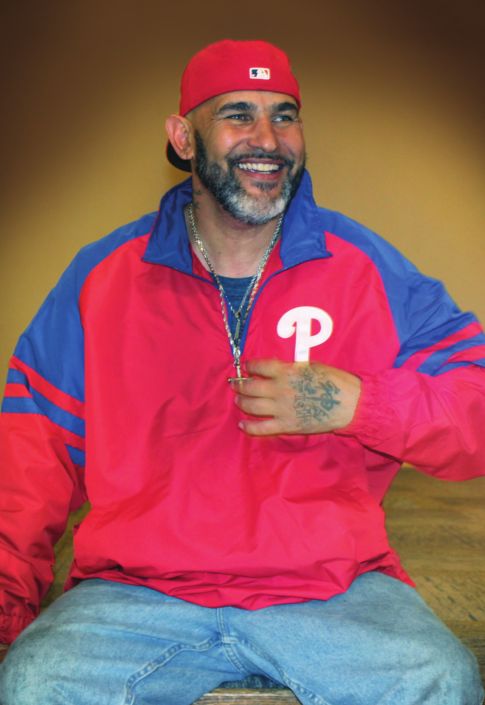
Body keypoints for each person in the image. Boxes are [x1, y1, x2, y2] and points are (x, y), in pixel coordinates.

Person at [0, 38, 484, 705]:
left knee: (443, 680)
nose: (268, 139)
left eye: (284, 116)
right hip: (134, 592)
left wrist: (361, 404)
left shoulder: (363, 267)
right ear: (183, 137)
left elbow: (474, 407)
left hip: (333, 588)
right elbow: (30, 457)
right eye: (238, 114)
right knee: (33, 684)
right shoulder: (102, 277)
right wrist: (7, 610)